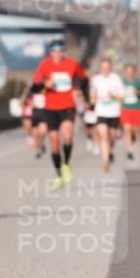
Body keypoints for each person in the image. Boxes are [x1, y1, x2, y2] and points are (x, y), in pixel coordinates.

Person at [31, 38, 89, 189]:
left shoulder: (72, 64)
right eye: (54, 51)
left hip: (67, 106)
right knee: (54, 141)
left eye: (60, 51)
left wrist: (78, 89)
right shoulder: (45, 65)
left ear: (64, 52)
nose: (57, 54)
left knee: (68, 135)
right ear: (50, 53)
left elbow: (84, 79)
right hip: (50, 108)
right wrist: (45, 84)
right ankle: (59, 176)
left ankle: (66, 164)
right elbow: (34, 87)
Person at [90, 57, 125, 171]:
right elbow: (92, 94)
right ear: (100, 68)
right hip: (101, 112)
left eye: (107, 68)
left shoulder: (116, 79)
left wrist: (113, 96)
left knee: (112, 137)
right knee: (103, 135)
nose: (105, 70)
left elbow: (121, 97)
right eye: (103, 68)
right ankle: (105, 161)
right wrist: (93, 100)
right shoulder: (96, 79)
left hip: (114, 113)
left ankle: (111, 151)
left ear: (110, 68)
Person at [120, 64, 140, 160]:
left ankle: (132, 138)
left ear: (134, 72)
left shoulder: (138, 82)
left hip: (136, 109)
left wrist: (138, 92)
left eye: (131, 72)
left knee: (134, 131)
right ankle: (129, 150)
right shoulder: (121, 83)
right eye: (127, 71)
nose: (129, 73)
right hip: (125, 109)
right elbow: (117, 94)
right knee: (127, 129)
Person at [21, 82, 48, 158]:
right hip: (34, 116)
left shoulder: (46, 92)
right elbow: (23, 103)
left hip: (44, 115)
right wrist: (25, 93)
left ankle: (41, 144)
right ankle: (38, 150)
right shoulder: (30, 93)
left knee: (42, 132)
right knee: (36, 135)